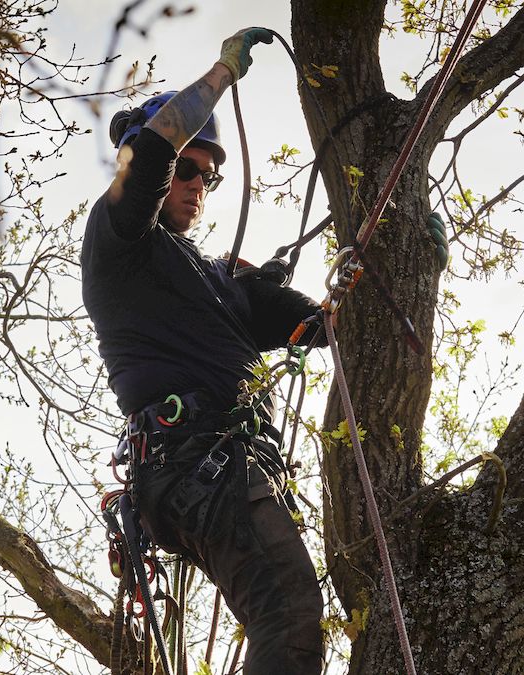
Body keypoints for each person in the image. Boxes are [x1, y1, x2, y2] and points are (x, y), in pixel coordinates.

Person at [81, 28, 325, 674]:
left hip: (224, 466)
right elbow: (155, 147)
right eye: (187, 168)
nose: (196, 182)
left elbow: (322, 326)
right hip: (195, 461)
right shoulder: (121, 240)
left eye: (207, 176)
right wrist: (220, 73)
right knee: (292, 616)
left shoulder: (224, 283)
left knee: (288, 618)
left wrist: (404, 260)